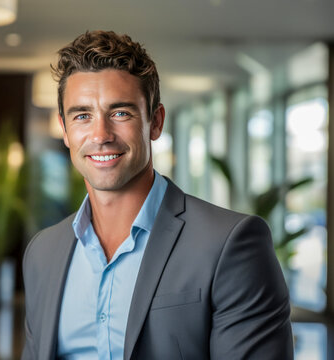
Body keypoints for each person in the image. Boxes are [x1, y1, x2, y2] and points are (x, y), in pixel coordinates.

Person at [22, 30, 293, 360]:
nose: (100, 135)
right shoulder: (43, 252)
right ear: (65, 130)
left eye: (120, 113)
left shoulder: (229, 244)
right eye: (82, 116)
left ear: (155, 122)